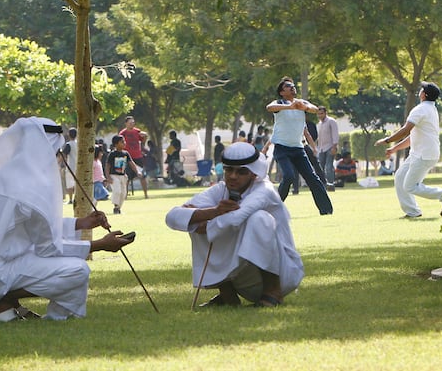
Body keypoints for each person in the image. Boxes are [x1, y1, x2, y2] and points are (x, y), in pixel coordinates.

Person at [0, 117, 134, 321]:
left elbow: (34, 227)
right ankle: (52, 316)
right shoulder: (34, 184)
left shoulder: (5, 177)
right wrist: (100, 245)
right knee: (78, 270)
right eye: (56, 150)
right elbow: (48, 247)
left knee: (45, 258)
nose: (58, 156)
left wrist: (81, 223)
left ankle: (8, 307)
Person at [165, 142, 304, 308]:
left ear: (253, 173)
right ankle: (228, 296)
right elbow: (172, 217)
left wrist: (205, 222)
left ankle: (272, 292)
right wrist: (211, 212)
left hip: (283, 274)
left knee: (259, 219)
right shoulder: (220, 190)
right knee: (195, 224)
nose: (232, 176)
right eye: (229, 170)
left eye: (241, 171)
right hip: (243, 277)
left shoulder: (264, 190)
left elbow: (236, 218)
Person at [375, 82, 442, 219]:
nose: (419, 91)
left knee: (410, 186)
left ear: (424, 94)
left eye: (422, 89)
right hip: (419, 154)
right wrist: (394, 148)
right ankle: (412, 211)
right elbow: (412, 136)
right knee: (399, 177)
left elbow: (405, 130)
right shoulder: (430, 109)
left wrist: (387, 140)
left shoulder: (420, 109)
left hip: (424, 155)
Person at [266, 77, 333, 215]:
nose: (292, 87)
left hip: (298, 149)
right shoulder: (279, 104)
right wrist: (289, 107)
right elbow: (269, 107)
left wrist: (306, 107)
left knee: (313, 178)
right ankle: (274, 209)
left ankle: (326, 210)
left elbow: (315, 109)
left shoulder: (301, 103)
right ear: (282, 92)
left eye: (293, 85)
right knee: (289, 176)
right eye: (288, 86)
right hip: (282, 148)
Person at [106, 135, 143, 214]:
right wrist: (108, 176)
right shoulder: (112, 154)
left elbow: (131, 163)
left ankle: (118, 208)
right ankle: (116, 206)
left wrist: (137, 171)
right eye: (122, 142)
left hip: (123, 176)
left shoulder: (125, 153)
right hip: (114, 176)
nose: (124, 143)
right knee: (117, 191)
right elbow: (107, 166)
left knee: (123, 193)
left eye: (124, 141)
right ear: (116, 144)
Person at [119, 116, 149, 199]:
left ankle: (146, 195)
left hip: (138, 157)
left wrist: (145, 136)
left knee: (142, 176)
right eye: (130, 123)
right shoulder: (122, 133)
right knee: (126, 177)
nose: (132, 124)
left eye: (133, 123)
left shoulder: (137, 131)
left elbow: (142, 141)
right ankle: (125, 196)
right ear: (126, 123)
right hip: (127, 157)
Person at [316, 106, 339, 187]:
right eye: (318, 114)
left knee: (329, 166)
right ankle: (322, 184)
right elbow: (319, 138)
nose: (320, 116)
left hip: (330, 147)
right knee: (320, 167)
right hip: (321, 148)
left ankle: (331, 184)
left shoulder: (331, 121)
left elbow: (335, 134)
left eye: (321, 113)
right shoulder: (319, 124)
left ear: (325, 113)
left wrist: (334, 146)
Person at [62, 128, 78, 205]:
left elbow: (64, 154)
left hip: (70, 166)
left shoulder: (68, 144)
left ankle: (71, 199)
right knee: (76, 184)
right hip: (78, 167)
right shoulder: (78, 144)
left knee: (69, 184)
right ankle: (76, 198)